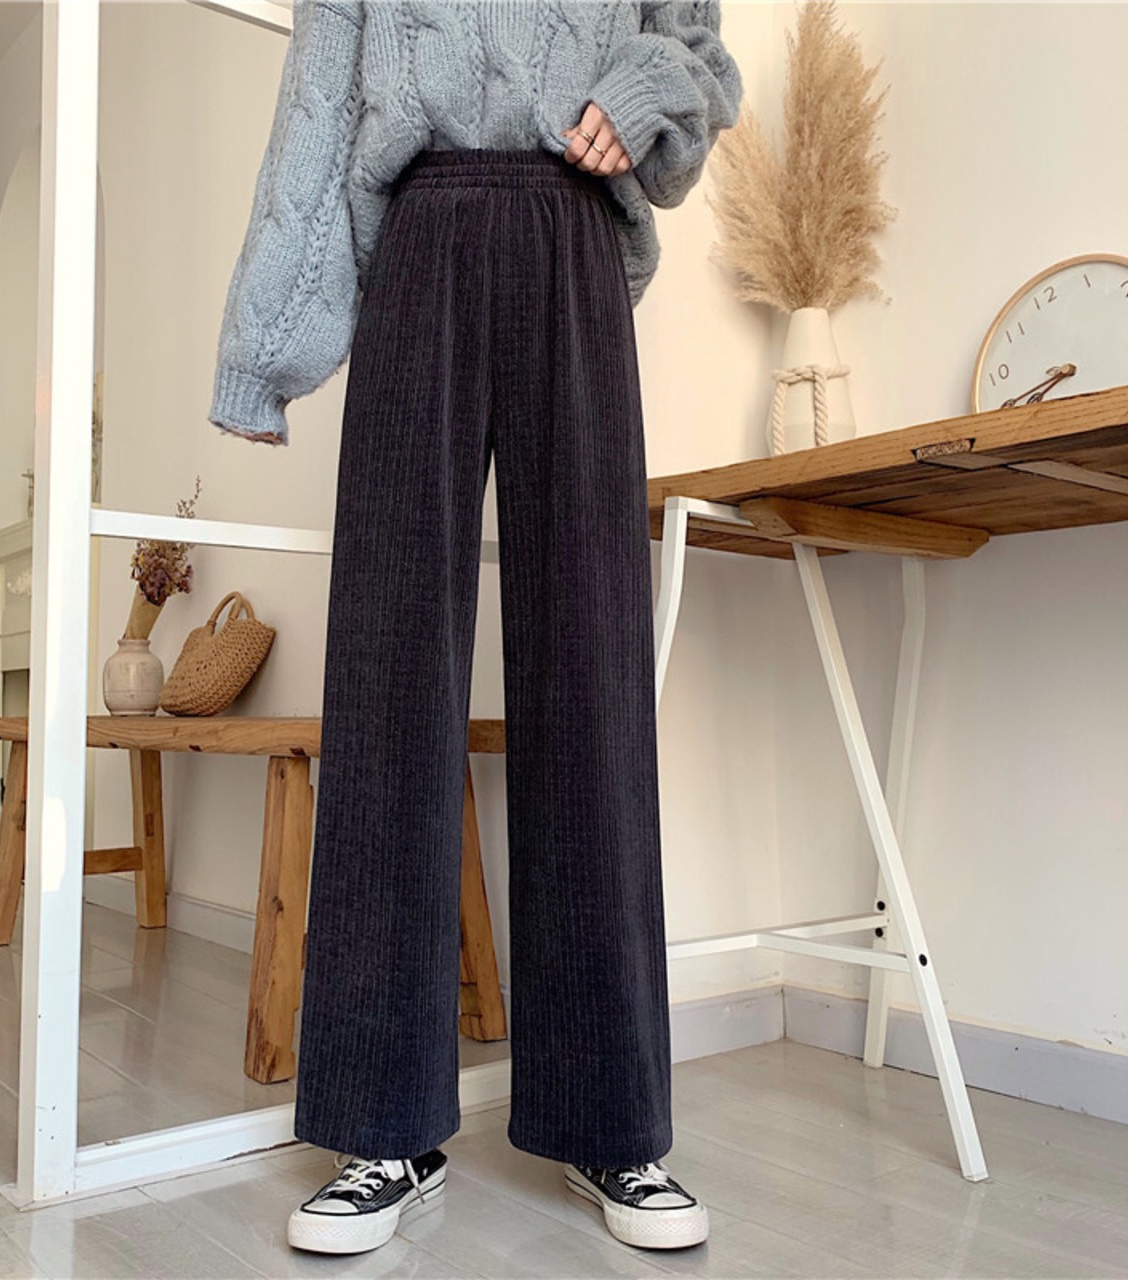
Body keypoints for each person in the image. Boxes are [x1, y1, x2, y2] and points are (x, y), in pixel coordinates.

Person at [208, 0, 743, 1257]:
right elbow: (318, 112)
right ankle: (380, 1125)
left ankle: (613, 1118)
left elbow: (701, 58)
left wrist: (636, 87)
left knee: (592, 676)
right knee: (388, 676)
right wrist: (262, 351)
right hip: (421, 240)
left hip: (576, 240)